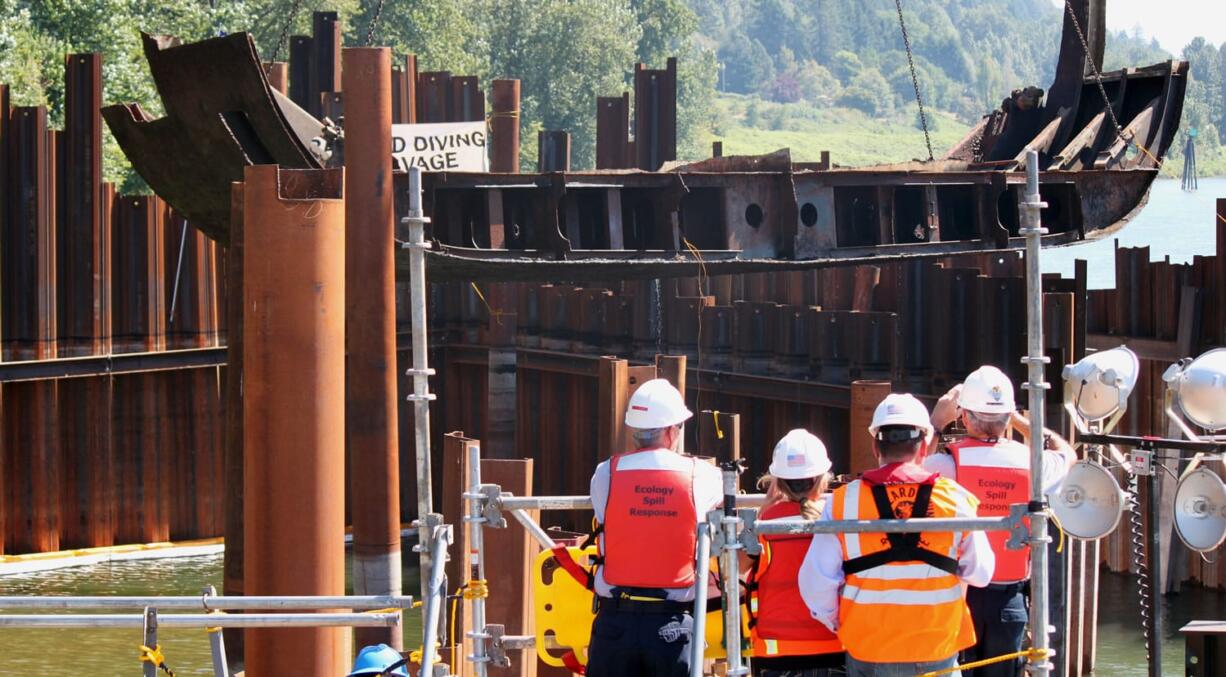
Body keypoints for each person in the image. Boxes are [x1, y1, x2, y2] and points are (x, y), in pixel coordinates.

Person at [798, 393, 995, 677]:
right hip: (936, 648)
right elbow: (982, 573)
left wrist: (838, 621)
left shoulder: (843, 503)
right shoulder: (957, 500)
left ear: (875, 445)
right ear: (924, 446)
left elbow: (816, 582)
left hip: (869, 648)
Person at [926, 366, 1077, 677]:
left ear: (964, 417)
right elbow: (1067, 453)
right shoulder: (1032, 463)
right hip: (1010, 600)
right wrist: (1022, 421)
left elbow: (910, 478)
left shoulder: (948, 464)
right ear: (1008, 418)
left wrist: (937, 424)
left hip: (959, 596)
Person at [587, 378, 723, 677]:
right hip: (671, 626)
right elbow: (716, 502)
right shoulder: (700, 475)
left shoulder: (606, 473)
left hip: (614, 623)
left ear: (634, 431)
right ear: (672, 430)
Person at [746, 429, 845, 676]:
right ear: (824, 478)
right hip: (835, 645)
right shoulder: (841, 515)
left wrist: (763, 511)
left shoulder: (766, 521)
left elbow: (734, 569)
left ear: (777, 481)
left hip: (778, 651)